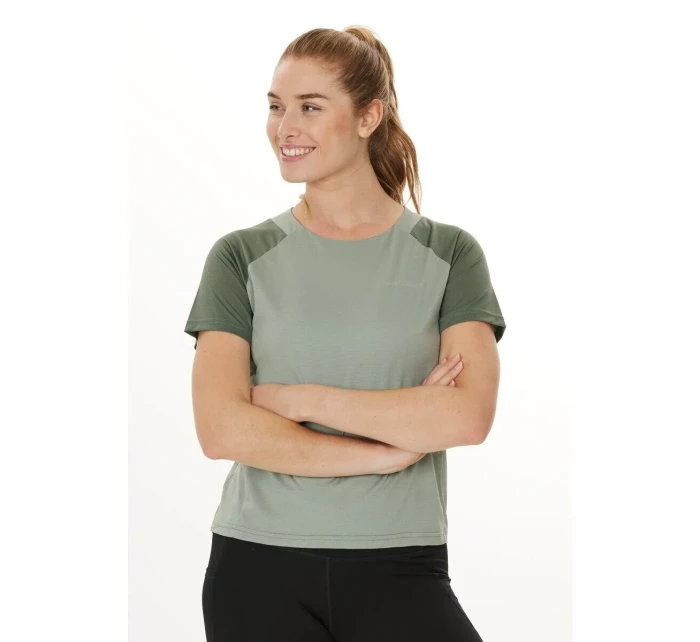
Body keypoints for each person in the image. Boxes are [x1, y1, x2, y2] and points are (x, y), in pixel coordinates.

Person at [184, 25, 506, 642]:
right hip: (257, 567)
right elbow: (221, 429)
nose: (285, 128)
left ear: (368, 117)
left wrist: (299, 399)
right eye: (276, 107)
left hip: (402, 563)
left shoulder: (449, 254)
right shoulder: (239, 256)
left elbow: (466, 418)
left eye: (310, 107)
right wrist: (386, 452)